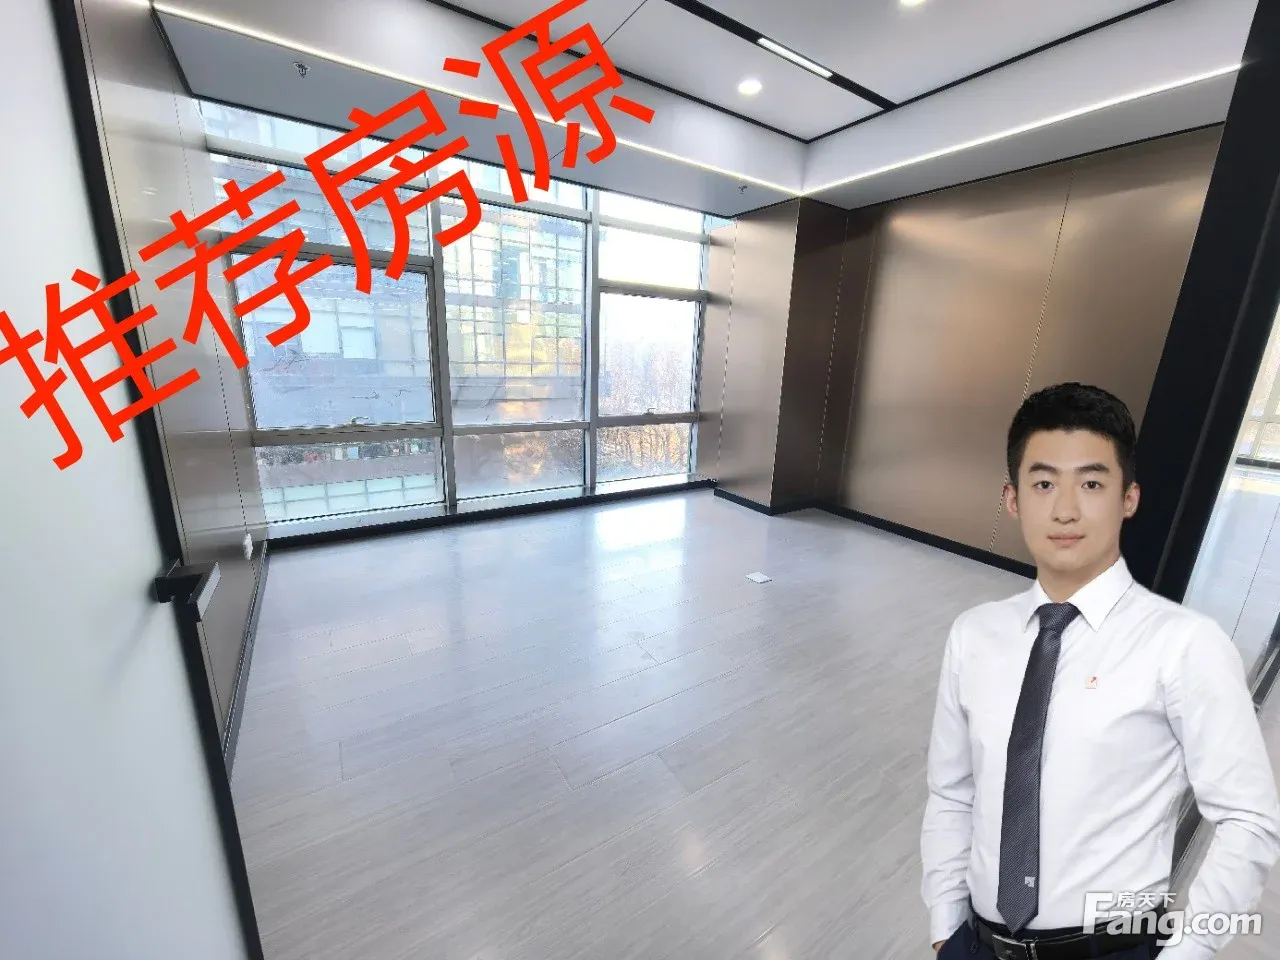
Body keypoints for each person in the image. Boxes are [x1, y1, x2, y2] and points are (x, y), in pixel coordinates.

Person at [921, 382, 1280, 960]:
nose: (1065, 509)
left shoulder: (1183, 645)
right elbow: (951, 791)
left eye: (1091, 484)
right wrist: (945, 928)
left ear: (1128, 498)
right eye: (1043, 484)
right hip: (978, 944)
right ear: (1012, 499)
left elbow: (1249, 819)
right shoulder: (974, 635)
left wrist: (1189, 951)